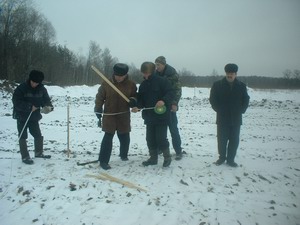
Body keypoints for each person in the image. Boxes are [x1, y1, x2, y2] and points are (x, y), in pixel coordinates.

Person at [94, 63, 137, 170]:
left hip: (124, 115)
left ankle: (123, 155)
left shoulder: (131, 84)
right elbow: (99, 97)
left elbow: (135, 96)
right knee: (108, 137)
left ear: (125, 75)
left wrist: (134, 101)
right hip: (109, 115)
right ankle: (103, 161)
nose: (119, 78)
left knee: (124, 136)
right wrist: (98, 108)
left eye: (121, 76)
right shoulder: (106, 83)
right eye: (117, 75)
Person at [132, 62, 174, 167]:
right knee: (150, 138)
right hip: (149, 116)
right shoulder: (143, 84)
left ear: (151, 71)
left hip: (161, 116)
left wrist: (163, 101)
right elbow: (141, 99)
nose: (144, 75)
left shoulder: (162, 81)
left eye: (146, 73)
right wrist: (138, 107)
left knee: (161, 138)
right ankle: (153, 158)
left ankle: (167, 157)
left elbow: (170, 93)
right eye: (143, 73)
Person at [209, 63, 250, 167]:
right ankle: (222, 158)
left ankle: (231, 160)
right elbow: (212, 99)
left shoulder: (241, 86)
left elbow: (246, 99)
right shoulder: (217, 85)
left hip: (236, 118)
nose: (229, 75)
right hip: (222, 118)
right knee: (222, 140)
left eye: (231, 73)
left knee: (234, 140)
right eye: (228, 73)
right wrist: (219, 110)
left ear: (235, 74)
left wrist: (241, 110)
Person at [12, 70, 54, 165]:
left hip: (34, 117)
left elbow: (46, 100)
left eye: (37, 83)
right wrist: (29, 107)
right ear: (30, 79)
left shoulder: (42, 89)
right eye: (33, 82)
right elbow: (16, 102)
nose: (35, 84)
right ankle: (25, 156)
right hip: (21, 116)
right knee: (23, 135)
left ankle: (38, 152)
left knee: (37, 134)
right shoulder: (21, 88)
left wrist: (48, 107)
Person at [155, 56, 183, 160]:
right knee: (160, 129)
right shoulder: (155, 74)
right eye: (156, 65)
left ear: (164, 64)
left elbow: (177, 90)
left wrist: (174, 103)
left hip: (170, 105)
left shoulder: (172, 74)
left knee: (173, 129)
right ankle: (160, 148)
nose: (157, 67)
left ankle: (178, 150)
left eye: (159, 65)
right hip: (159, 106)